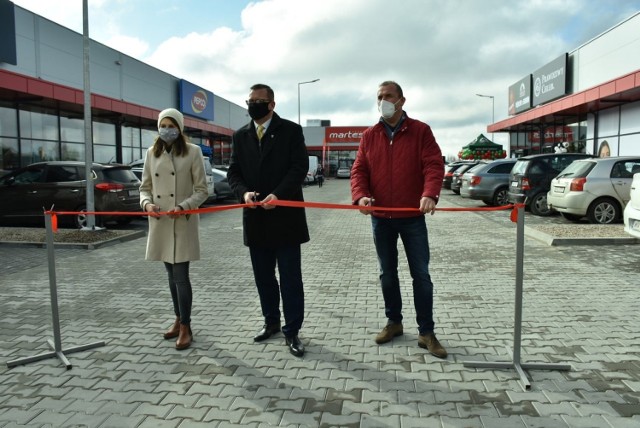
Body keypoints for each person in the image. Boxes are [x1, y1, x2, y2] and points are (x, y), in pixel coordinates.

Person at [350, 80, 447, 359]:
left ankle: (426, 332)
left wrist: (430, 193)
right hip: (381, 218)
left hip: (411, 217)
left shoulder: (420, 131)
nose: (383, 101)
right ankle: (394, 323)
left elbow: (433, 164)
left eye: (388, 96)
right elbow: (359, 170)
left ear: (402, 100)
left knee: (421, 276)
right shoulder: (369, 135)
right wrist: (360, 197)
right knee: (387, 275)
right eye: (379, 97)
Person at [227, 83, 310, 357]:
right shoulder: (240, 136)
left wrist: (278, 194)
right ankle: (271, 322)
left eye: (258, 101)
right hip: (256, 219)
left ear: (271, 104)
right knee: (264, 278)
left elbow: (299, 168)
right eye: (250, 100)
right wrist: (244, 194)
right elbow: (234, 173)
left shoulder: (291, 131)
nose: (253, 105)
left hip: (285, 218)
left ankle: (292, 331)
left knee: (290, 279)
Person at [139, 108, 209, 351]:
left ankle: (187, 326)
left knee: (180, 277)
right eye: (163, 125)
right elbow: (144, 187)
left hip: (181, 221)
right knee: (170, 277)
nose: (166, 130)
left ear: (179, 128)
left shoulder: (193, 152)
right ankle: (178, 320)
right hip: (160, 221)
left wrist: (183, 206)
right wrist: (147, 204)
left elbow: (202, 190)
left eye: (171, 125)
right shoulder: (151, 153)